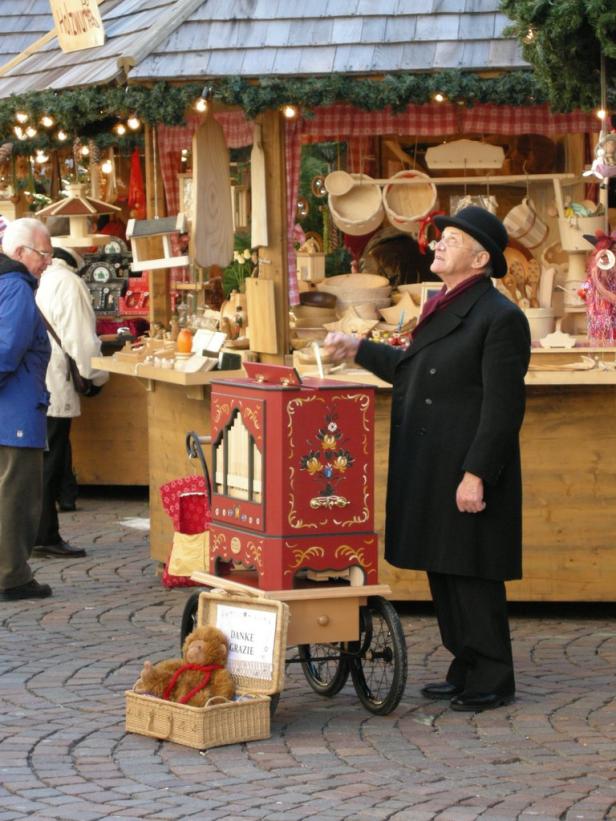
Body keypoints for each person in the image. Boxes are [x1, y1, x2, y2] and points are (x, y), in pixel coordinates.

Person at [325, 206, 531, 712]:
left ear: (480, 259)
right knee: (445, 566)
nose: (438, 244)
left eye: (452, 240)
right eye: (443, 237)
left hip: (465, 463)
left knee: (473, 571)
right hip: (434, 460)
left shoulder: (500, 317)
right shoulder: (442, 303)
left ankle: (493, 676)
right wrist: (357, 348)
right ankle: (466, 664)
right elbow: (412, 369)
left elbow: (503, 409)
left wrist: (477, 474)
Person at [34, 246, 109, 558]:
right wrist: (95, 377)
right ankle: (43, 534)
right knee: (51, 459)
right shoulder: (69, 283)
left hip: (39, 380)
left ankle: (40, 532)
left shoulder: (41, 280)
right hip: (56, 381)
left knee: (44, 458)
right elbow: (81, 340)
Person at [0, 218, 53, 600]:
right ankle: (11, 576)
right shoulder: (17, 287)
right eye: (43, 254)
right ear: (20, 252)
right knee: (16, 498)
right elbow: (6, 350)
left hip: (12, 411)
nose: (47, 262)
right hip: (16, 415)